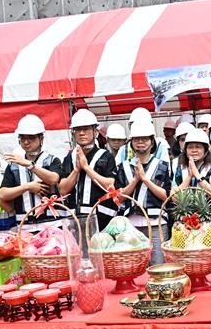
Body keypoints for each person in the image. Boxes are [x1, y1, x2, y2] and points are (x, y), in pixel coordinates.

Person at [115, 120, 171, 264]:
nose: (141, 142)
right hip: (130, 224)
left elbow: (166, 196)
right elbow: (118, 199)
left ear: (152, 142)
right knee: (134, 266)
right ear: (131, 142)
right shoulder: (123, 167)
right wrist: (134, 180)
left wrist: (145, 179)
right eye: (137, 139)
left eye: (145, 138)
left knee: (158, 265)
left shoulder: (162, 165)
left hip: (156, 223)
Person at [0, 114, 63, 228]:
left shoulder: (51, 160)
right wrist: (27, 186)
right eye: (22, 138)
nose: (26, 142)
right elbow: (3, 194)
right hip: (24, 225)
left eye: (31, 138)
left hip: (51, 224)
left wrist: (29, 164)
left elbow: (53, 179)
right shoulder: (14, 165)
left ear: (41, 138)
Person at [59, 109, 118, 225]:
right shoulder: (69, 158)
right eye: (77, 130)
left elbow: (110, 186)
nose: (81, 133)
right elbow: (63, 189)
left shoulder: (106, 156)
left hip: (102, 219)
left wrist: (86, 168)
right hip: (75, 220)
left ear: (95, 131)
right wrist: (76, 170)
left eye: (85, 129)